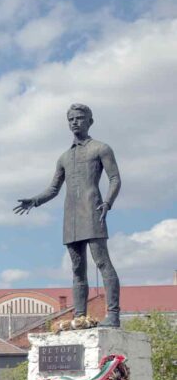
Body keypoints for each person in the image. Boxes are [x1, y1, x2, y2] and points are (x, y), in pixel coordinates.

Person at [14, 103, 122, 327]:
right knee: (77, 269)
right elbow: (53, 189)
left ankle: (112, 314)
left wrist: (107, 203)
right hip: (71, 217)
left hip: (93, 211)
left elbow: (115, 179)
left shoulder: (101, 148)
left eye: (80, 118)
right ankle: (80, 316)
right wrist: (34, 201)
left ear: (90, 121)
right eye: (71, 119)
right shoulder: (64, 158)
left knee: (102, 262)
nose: (75, 122)